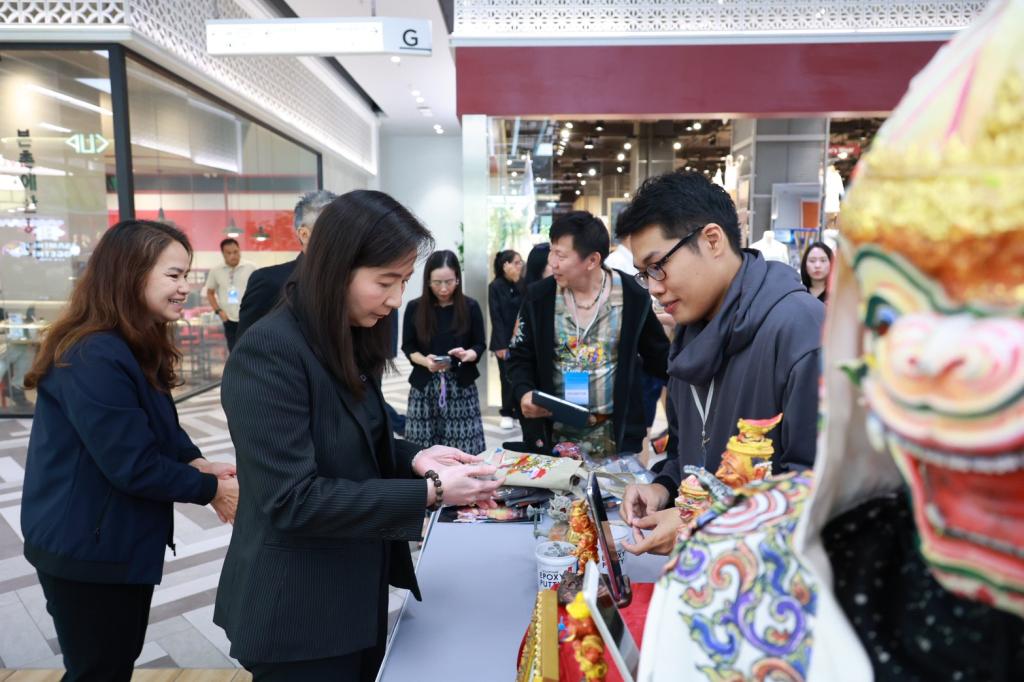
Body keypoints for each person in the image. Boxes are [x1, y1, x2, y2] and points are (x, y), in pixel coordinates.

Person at [214, 191, 503, 681]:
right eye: (385, 281)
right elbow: (293, 500)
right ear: (335, 267)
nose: (395, 299)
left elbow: (357, 439)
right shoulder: (270, 352)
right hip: (298, 609)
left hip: (351, 588)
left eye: (404, 282)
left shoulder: (343, 335)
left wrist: (415, 456)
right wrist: (430, 492)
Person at [19, 220, 239, 682]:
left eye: (186, 276)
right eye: (174, 276)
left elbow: (159, 428)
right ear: (130, 273)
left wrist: (194, 460)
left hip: (112, 538)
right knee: (98, 670)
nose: (184, 289)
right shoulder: (94, 353)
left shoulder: (132, 343)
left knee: (111, 662)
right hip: (84, 546)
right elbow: (132, 465)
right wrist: (209, 489)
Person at [616, 170, 824, 555]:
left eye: (658, 265)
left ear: (712, 240)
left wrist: (698, 523)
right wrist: (663, 488)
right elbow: (687, 456)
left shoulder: (801, 331)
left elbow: (818, 489)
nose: (655, 287)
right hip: (709, 578)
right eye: (645, 275)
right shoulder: (690, 336)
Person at [507, 211, 669, 458]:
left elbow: (658, 356)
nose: (552, 262)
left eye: (561, 255)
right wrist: (524, 391)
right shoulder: (539, 296)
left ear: (592, 260)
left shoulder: (632, 294)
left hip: (616, 437)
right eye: (552, 251)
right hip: (553, 438)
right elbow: (519, 355)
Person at [403, 250, 488, 455]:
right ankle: (428, 487)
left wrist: (469, 355)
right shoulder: (415, 308)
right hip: (424, 386)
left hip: (461, 385)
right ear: (427, 281)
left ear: (457, 279)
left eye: (449, 282)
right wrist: (426, 361)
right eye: (437, 282)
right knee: (422, 446)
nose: (443, 288)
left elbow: (479, 344)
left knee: (463, 447)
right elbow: (408, 347)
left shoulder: (470, 306)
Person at [236, 189, 336, 339]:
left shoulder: (350, 280)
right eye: (331, 229)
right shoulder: (270, 282)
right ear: (304, 235)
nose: (341, 237)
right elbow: (245, 350)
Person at [488, 249, 524, 430]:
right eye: (516, 262)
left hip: (521, 339)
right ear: (505, 265)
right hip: (503, 340)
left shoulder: (522, 284)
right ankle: (507, 412)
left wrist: (518, 283)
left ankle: (519, 411)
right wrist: (502, 344)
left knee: (521, 375)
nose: (520, 266)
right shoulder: (495, 286)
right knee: (506, 377)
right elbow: (497, 317)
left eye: (520, 262)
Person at [203, 237, 255, 351]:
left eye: (236, 252)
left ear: (239, 250)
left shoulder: (251, 268)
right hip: (229, 319)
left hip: (248, 317)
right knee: (233, 350)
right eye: (229, 253)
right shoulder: (216, 271)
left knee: (250, 349)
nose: (233, 255)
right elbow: (210, 293)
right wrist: (218, 311)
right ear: (223, 254)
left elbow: (259, 291)